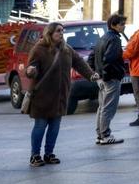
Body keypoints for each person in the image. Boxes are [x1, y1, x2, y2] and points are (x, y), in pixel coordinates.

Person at [24, 22, 98, 166]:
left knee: (55, 126)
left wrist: (91, 75)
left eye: (62, 31)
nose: (61, 33)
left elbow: (79, 63)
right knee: (40, 125)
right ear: (49, 33)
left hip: (60, 95)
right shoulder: (39, 49)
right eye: (58, 31)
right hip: (42, 95)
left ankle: (49, 154)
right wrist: (30, 71)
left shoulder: (66, 49)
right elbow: (31, 68)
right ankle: (35, 155)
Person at [93, 14, 128, 145]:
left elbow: (93, 56)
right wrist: (107, 74)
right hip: (111, 78)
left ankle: (100, 134)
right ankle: (105, 134)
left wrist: (98, 74)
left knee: (102, 107)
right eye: (121, 24)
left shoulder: (103, 37)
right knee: (108, 107)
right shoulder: (114, 39)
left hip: (103, 77)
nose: (124, 26)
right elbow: (109, 59)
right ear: (113, 25)